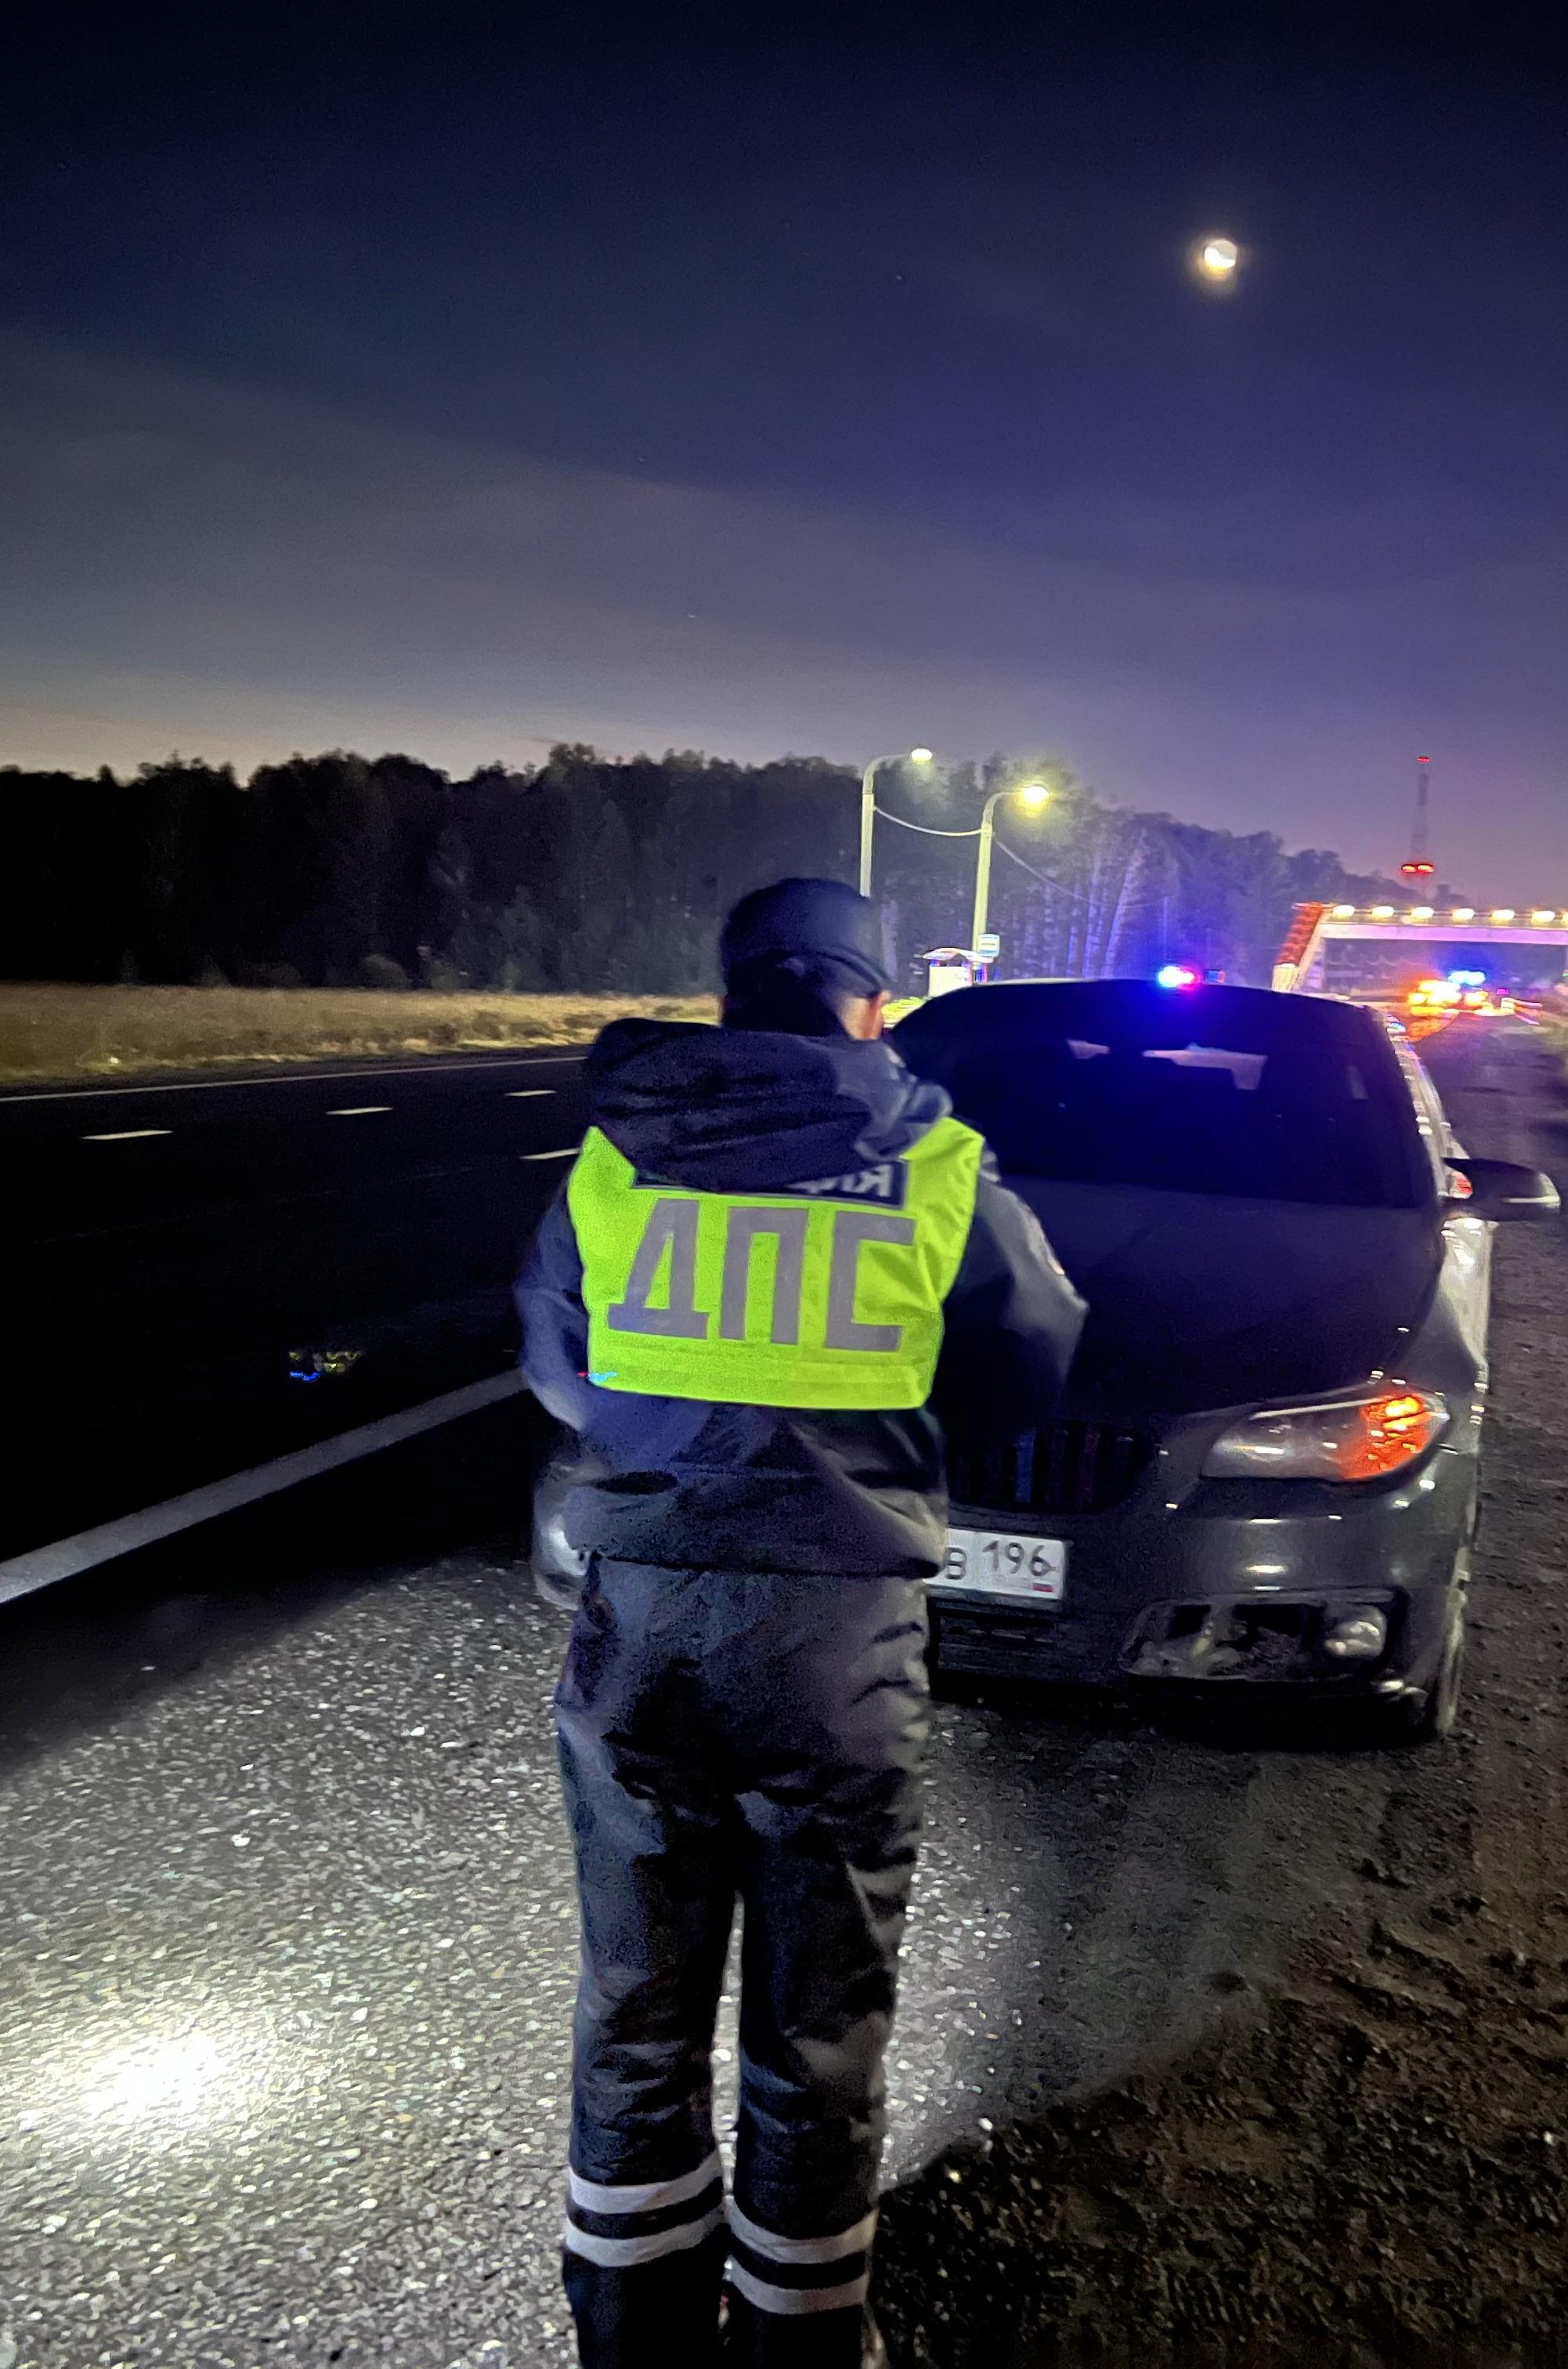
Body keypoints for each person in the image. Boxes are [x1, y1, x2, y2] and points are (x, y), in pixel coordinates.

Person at [518, 877, 1085, 2367]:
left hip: (643, 1616)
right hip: (838, 1634)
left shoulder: (615, 1159)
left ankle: (633, 2334)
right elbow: (1030, 1365)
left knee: (637, 2001)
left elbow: (564, 1368)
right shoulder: (936, 1163)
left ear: (728, 997)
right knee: (817, 2024)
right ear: (871, 1002)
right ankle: (802, 2339)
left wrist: (694, 1443)